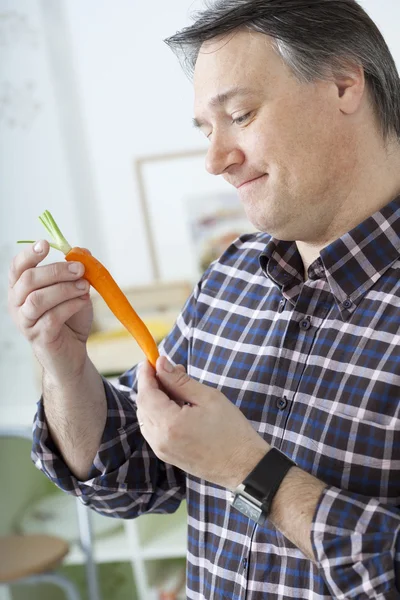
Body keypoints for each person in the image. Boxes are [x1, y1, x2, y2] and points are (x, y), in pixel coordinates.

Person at [8, 0, 400, 597]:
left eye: (239, 114)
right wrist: (64, 366)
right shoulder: (231, 274)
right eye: (206, 130)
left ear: (344, 84)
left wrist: (250, 471)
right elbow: (136, 474)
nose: (216, 160)